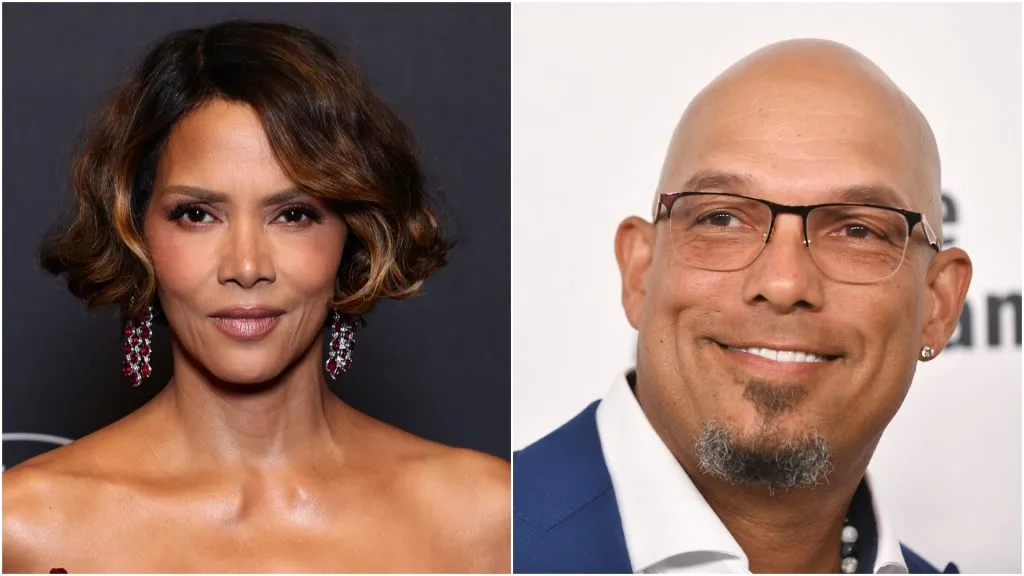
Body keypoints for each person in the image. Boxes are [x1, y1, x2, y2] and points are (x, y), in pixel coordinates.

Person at [3, 20, 509, 573]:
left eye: (293, 215)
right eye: (197, 215)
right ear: (136, 232)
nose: (246, 267)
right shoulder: (27, 529)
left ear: (356, 234)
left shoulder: (486, 521)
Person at [514, 38, 972, 574]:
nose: (782, 282)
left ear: (939, 306)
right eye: (722, 219)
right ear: (640, 272)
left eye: (856, 229)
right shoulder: (478, 549)